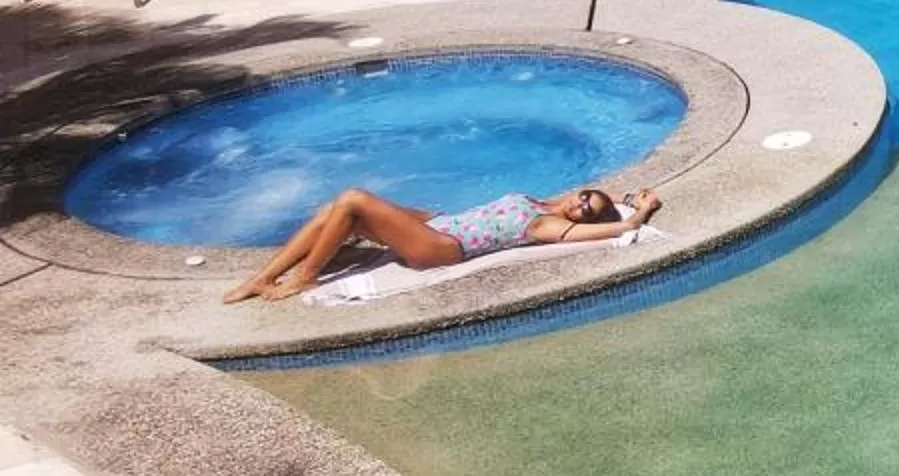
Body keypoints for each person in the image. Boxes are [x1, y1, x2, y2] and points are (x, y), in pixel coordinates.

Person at [222, 183, 660, 304]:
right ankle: (262, 279)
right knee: (331, 210)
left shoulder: (548, 224)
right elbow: (608, 202)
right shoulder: (546, 200)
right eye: (585, 197)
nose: (582, 207)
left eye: (588, 210)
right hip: (441, 222)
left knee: (354, 199)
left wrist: (639, 213)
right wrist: (624, 197)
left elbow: (618, 229)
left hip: (443, 246)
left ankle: (306, 277)